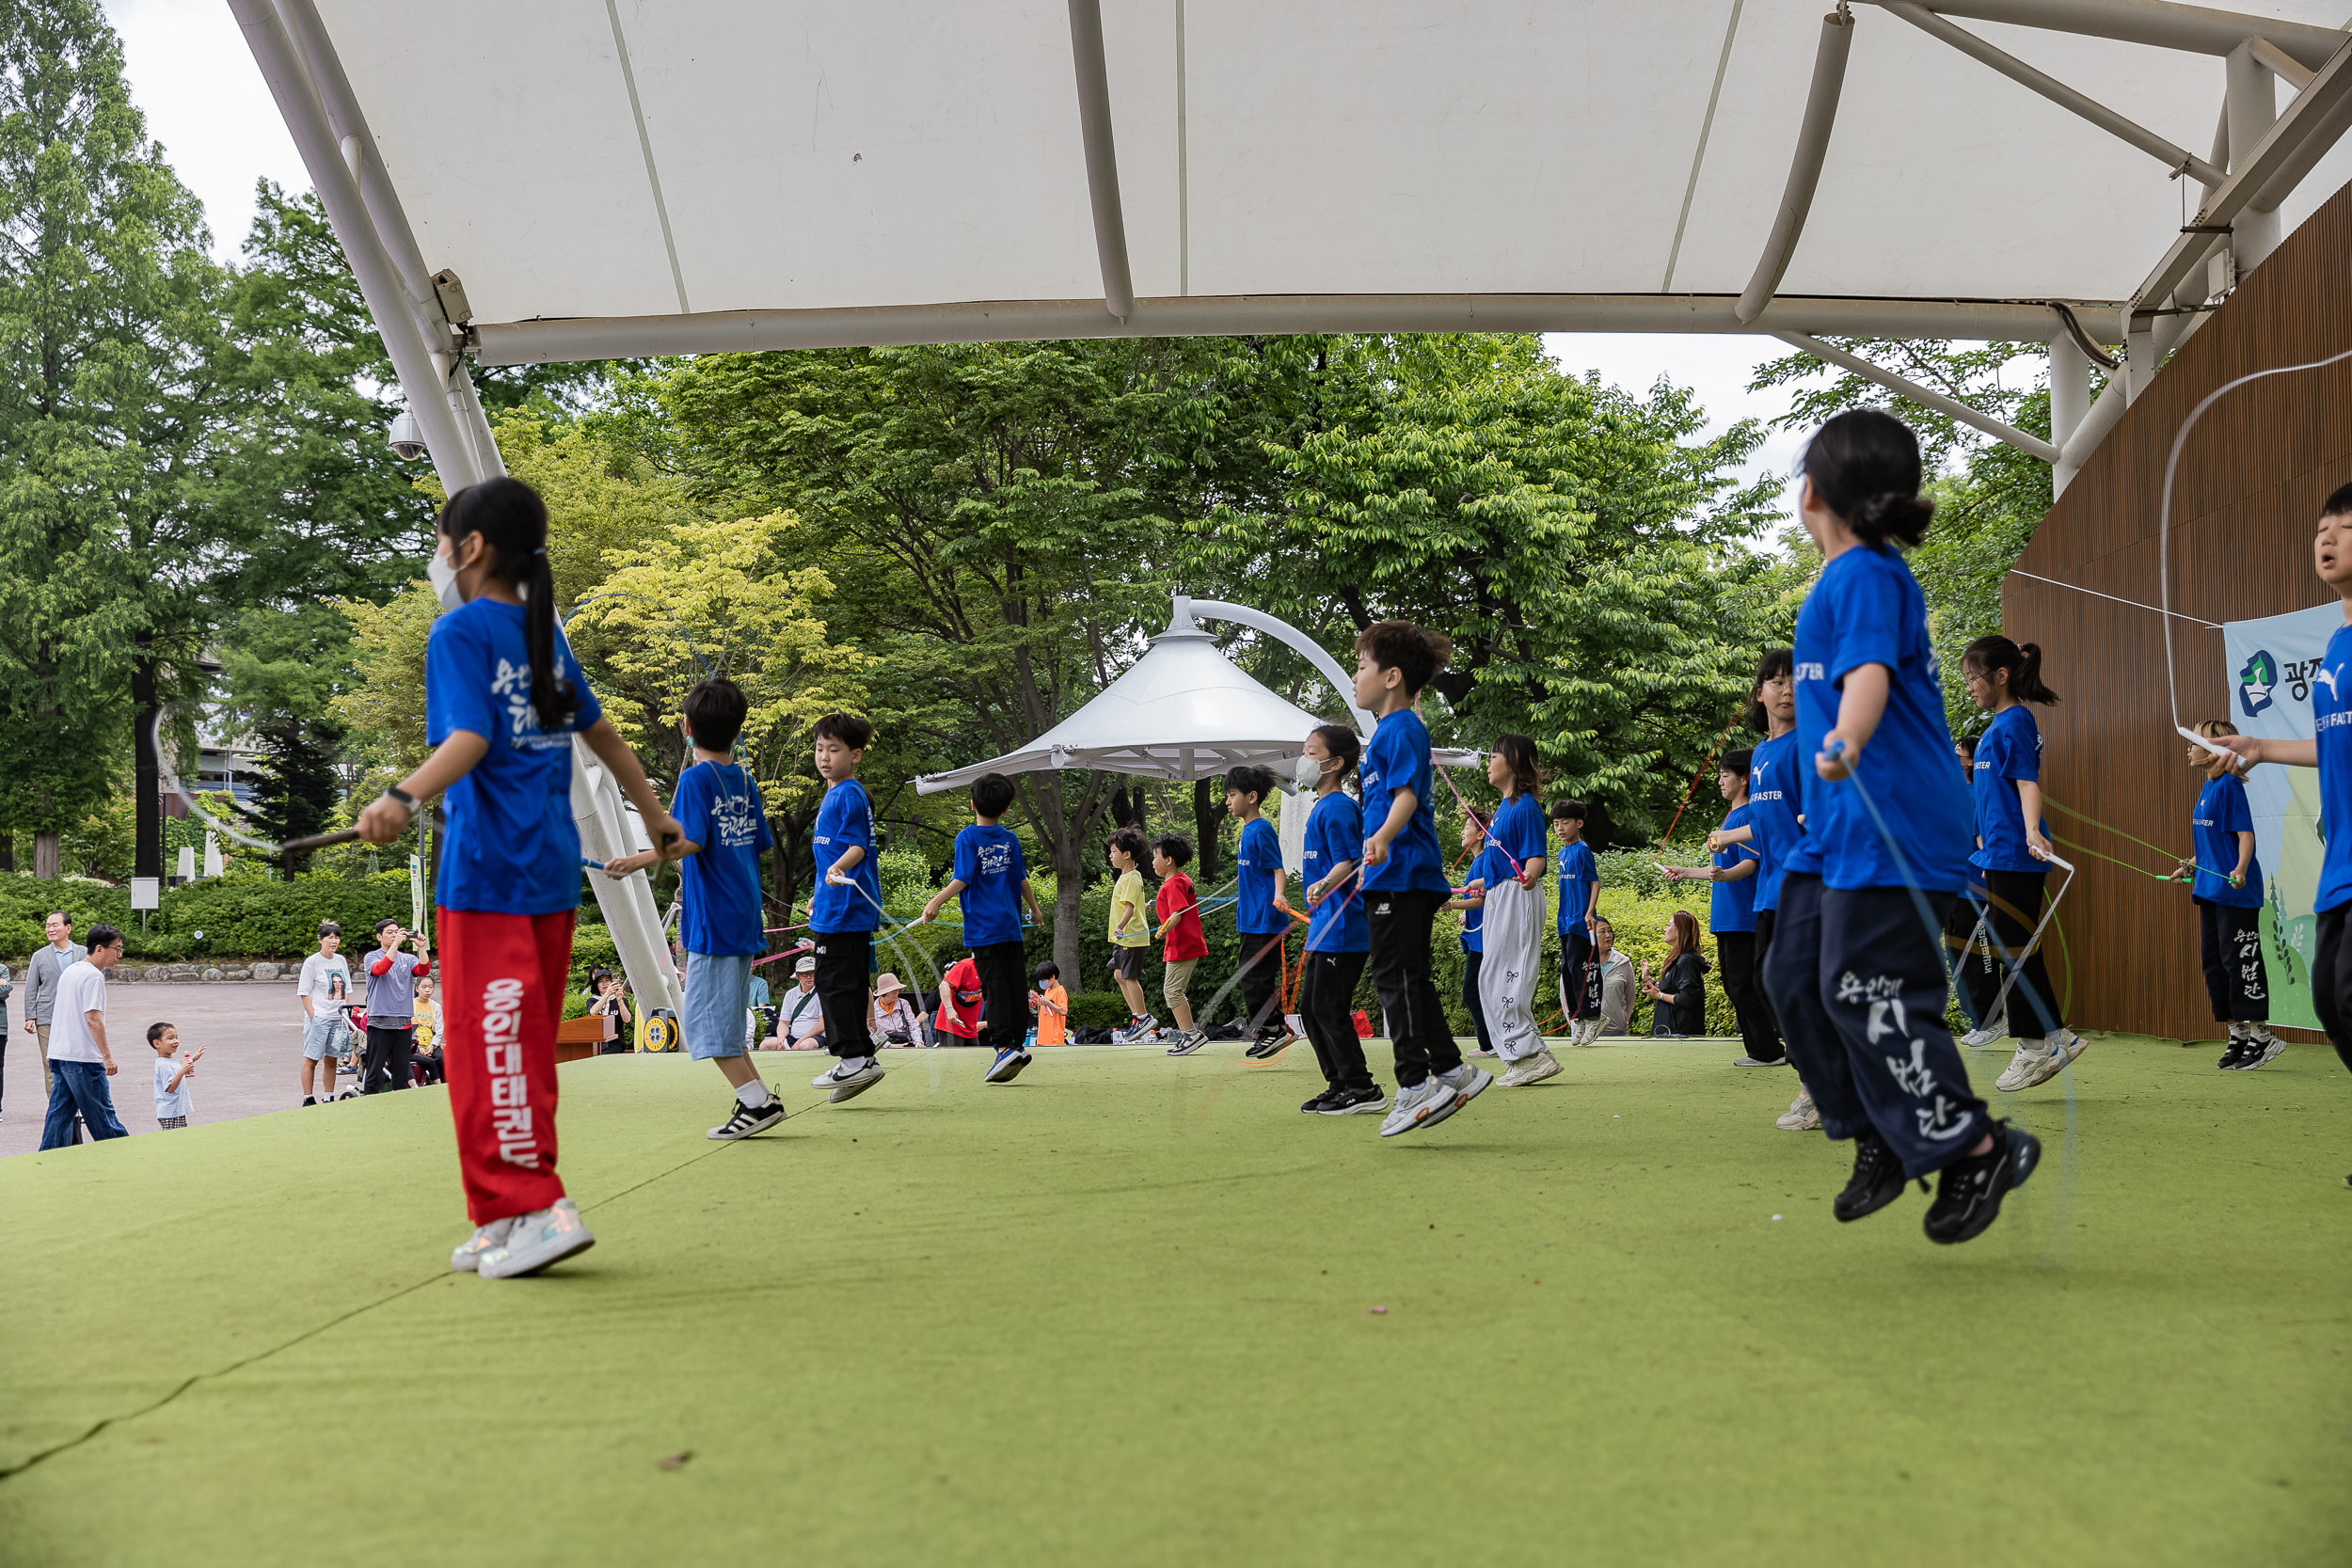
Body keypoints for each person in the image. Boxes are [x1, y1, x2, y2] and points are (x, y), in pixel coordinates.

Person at [354, 475, 685, 1280]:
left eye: (440, 540)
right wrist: (656, 816)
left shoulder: (461, 631)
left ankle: (536, 1205)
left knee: (485, 1044)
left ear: (471, 547)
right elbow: (606, 739)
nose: (436, 555)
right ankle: (501, 1213)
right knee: (517, 1041)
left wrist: (403, 794)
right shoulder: (541, 637)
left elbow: (469, 734)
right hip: (546, 872)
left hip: (489, 875)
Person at [1759, 409, 2036, 1247]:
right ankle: (1878, 1131)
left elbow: (1870, 679)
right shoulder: (1836, 581)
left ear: (1817, 491)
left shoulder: (1869, 576)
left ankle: (1975, 1144)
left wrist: (1845, 736)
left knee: (1866, 990)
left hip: (1896, 826)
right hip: (1833, 833)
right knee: (1794, 980)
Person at [2209, 482, 2352, 1135]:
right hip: (2339, 860)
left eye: (2346, 527)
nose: (2327, 538)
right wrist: (2261, 745)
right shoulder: (2335, 650)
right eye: (2323, 527)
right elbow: (2333, 741)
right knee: (2330, 994)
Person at [604, 677, 787, 1138]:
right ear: (738, 728)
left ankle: (757, 1104)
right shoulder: (743, 780)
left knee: (705, 1025)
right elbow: (759, 842)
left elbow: (689, 841)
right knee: (722, 1021)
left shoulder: (695, 778)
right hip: (743, 915)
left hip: (714, 920)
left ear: (686, 726)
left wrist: (637, 861)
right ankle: (759, 1098)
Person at [1355, 620, 1491, 1137]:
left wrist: (1385, 837)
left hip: (1403, 875)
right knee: (1408, 977)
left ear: (1392, 677)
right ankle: (1455, 1071)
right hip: (1389, 876)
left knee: (1395, 979)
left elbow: (1407, 797)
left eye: (1362, 667)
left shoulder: (1404, 728)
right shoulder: (1386, 734)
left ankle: (1414, 1085)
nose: (1354, 676)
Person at [1957, 634, 2084, 1088]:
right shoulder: (1997, 727)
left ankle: (2038, 1043)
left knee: (2015, 949)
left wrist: (2032, 831)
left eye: (1974, 677)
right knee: (2016, 948)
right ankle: (2052, 1037)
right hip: (2000, 857)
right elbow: (1994, 800)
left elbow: (2028, 783)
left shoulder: (2015, 724)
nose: (1970, 685)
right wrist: (1989, 853)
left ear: (2002, 675)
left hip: (2018, 854)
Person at [921, 770, 1044, 1084]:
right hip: (1011, 927)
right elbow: (1020, 880)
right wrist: (1035, 909)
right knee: (1016, 986)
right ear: (1006, 810)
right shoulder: (1010, 839)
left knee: (996, 989)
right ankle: (1017, 1043)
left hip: (983, 931)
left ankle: (1004, 1048)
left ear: (972, 803)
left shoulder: (967, 837)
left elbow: (962, 878)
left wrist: (935, 902)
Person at [2181, 721, 2282, 1069]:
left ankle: (2262, 1036)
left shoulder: (2229, 786)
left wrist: (2240, 869)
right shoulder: (2208, 788)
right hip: (2209, 889)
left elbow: (2245, 836)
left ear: (2215, 750)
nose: (2188, 748)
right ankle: (2237, 1032)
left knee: (2239, 959)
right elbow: (2213, 843)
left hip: (2235, 891)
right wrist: (2191, 865)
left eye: (2194, 741)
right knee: (2214, 962)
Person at [1295, 724, 1382, 1113]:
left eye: (1312, 753)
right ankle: (1339, 1084)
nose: (1305, 760)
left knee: (1328, 1006)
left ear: (1335, 763)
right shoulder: (1321, 806)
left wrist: (1324, 884)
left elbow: (1350, 861)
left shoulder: (1341, 807)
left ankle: (1363, 1089)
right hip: (1324, 925)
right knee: (1312, 1008)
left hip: (1344, 925)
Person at [1668, 750, 1775, 1064]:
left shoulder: (1749, 815)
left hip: (1744, 914)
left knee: (1744, 984)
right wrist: (1686, 872)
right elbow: (1718, 871)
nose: (1720, 781)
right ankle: (1760, 1049)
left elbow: (1750, 864)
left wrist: (1725, 874)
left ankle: (1768, 1050)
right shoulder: (1727, 820)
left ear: (1744, 780)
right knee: (1734, 984)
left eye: (1725, 774)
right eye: (1718, 774)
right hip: (1726, 916)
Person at [805, 711, 885, 1101]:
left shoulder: (848, 794)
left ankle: (852, 1057)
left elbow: (857, 847)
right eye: (819, 748)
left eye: (833, 750)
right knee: (846, 983)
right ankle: (861, 1059)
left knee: (834, 983)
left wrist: (837, 870)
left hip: (846, 909)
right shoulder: (835, 793)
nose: (824, 757)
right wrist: (820, 890)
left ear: (854, 755)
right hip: (835, 904)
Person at [1476, 734, 1558, 1087]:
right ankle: (1522, 1055)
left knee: (1506, 976)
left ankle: (1530, 1057)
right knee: (1488, 979)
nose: (1489, 761)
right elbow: (1492, 870)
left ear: (1512, 761)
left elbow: (1535, 857)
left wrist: (1530, 876)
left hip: (1516, 895)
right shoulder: (1502, 810)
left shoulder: (1525, 806)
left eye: (1495, 755)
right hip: (1498, 895)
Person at [40, 924, 129, 1148]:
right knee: (101, 1114)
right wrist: (107, 1056)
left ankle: (45, 1158)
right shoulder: (93, 976)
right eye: (116, 949)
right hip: (83, 1058)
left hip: (61, 1053)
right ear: (100, 948)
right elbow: (93, 1018)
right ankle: (124, 1154)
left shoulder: (71, 970)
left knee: (59, 1117)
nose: (119, 955)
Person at [1227, 766, 1295, 1057]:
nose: (1227, 801)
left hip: (1265, 919)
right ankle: (1270, 1030)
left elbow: (1278, 869)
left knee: (1256, 979)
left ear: (1251, 796)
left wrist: (1279, 894)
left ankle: (1275, 1029)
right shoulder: (1247, 831)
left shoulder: (1262, 829)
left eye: (1232, 795)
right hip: (1250, 919)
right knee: (1250, 978)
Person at [24, 912, 87, 1138]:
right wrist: (30, 1016)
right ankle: (56, 1107)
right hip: (47, 1016)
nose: (50, 929)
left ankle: (78, 1106)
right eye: (47, 926)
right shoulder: (40, 956)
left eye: (55, 925)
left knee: (78, 1060)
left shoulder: (82, 953)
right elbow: (32, 988)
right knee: (50, 1062)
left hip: (78, 1015)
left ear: (68, 928)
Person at [1449, 816, 1502, 1060]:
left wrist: (1453, 905)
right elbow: (1481, 901)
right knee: (1479, 991)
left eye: (1467, 827)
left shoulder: (1482, 862)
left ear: (1480, 834)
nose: (1462, 832)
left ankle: (1489, 1045)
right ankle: (1491, 1043)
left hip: (1483, 941)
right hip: (1479, 938)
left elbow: (1481, 899)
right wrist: (1463, 912)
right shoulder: (1479, 862)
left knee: (1472, 992)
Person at [1151, 834, 1209, 1053]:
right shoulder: (1182, 879)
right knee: (1174, 990)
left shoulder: (1172, 885)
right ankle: (1189, 1034)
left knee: (1173, 991)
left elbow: (1177, 913)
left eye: (1156, 855)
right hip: (1187, 943)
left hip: (1181, 945)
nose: (1153, 861)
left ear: (1169, 860)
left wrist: (1164, 929)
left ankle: (1191, 1035)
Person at [361, 919, 432, 1095]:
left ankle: (399, 1107)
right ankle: (369, 1103)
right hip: (380, 1022)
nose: (394, 935)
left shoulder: (407, 958)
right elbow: (380, 969)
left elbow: (423, 971)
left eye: (396, 932)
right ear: (379, 937)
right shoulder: (371, 956)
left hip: (404, 1022)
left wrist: (421, 947)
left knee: (401, 1072)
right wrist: (395, 945)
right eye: (389, 933)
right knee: (375, 1071)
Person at [1551, 801, 1602, 1045]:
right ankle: (1578, 1020)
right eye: (1556, 824)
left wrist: (1590, 912)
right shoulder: (1562, 852)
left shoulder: (1582, 850)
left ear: (1579, 823)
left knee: (1581, 968)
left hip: (1581, 920)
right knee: (1567, 970)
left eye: (1565, 822)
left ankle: (1593, 1017)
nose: (1560, 828)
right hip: (1564, 920)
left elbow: (1594, 882)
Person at [1104, 827, 1157, 1040]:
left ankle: (1144, 1017)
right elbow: (1133, 906)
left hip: (1130, 937)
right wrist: (1141, 908)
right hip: (1125, 937)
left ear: (1127, 854)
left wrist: (1120, 926)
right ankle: (1137, 1015)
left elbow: (1128, 909)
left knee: (1128, 976)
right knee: (1119, 974)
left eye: (1114, 851)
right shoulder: (1128, 877)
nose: (1110, 855)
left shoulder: (1130, 879)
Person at [296, 921, 352, 1106]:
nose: (334, 941)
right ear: (320, 940)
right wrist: (314, 1017)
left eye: (336, 937)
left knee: (331, 1060)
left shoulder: (341, 960)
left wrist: (346, 1014)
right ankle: (308, 1098)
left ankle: (329, 1096)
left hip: (338, 1018)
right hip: (319, 1018)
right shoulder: (312, 962)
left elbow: (347, 991)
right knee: (311, 1059)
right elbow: (304, 993)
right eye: (329, 937)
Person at [1640, 911, 1711, 1036]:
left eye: (1668, 926)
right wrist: (1648, 979)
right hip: (1670, 1032)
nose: (1664, 929)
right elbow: (1670, 990)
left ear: (1679, 931)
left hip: (1681, 1035)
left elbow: (1687, 998)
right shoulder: (1678, 958)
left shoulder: (1687, 961)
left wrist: (1659, 995)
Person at [766, 956, 827, 1050]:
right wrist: (781, 1038)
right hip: (793, 1037)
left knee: (805, 1045)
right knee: (767, 1045)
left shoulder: (823, 993)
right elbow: (784, 1022)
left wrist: (800, 1041)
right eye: (805, 974)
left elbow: (822, 1025)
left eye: (812, 973)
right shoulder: (790, 994)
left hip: (817, 1038)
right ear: (798, 975)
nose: (809, 977)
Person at [150, 1022, 201, 1130]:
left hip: (176, 1109)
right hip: (170, 1112)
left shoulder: (170, 1061)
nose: (176, 1041)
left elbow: (178, 1073)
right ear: (157, 1044)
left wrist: (193, 1059)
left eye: (176, 1037)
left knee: (181, 1136)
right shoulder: (164, 1065)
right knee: (172, 1139)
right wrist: (182, 1071)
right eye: (170, 1038)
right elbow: (170, 1088)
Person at [1591, 917, 1637, 1037]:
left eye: (1609, 931)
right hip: (1585, 1032)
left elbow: (1630, 996)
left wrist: (1624, 1021)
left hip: (1617, 1032)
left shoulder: (1623, 962)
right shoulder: (1579, 962)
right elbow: (1566, 995)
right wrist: (1574, 1025)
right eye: (1602, 932)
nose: (1608, 935)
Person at [934, 953, 986, 1048]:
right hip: (951, 1026)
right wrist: (949, 1009)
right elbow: (944, 985)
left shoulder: (993, 971)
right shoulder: (965, 966)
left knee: (974, 1060)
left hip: (971, 1028)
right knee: (952, 1061)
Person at [583, 968, 634, 1055]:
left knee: (603, 1056)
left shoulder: (621, 1000)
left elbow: (627, 1019)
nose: (605, 983)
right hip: (596, 1044)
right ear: (597, 985)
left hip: (616, 1043)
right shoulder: (592, 1001)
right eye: (601, 981)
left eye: (607, 980)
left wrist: (620, 1001)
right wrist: (607, 994)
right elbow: (593, 1012)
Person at [872, 974, 925, 1047]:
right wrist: (888, 1046)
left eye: (897, 990)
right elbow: (872, 1032)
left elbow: (913, 1025)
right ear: (884, 992)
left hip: (906, 1042)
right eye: (893, 990)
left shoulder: (903, 1004)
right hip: (885, 1046)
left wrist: (918, 1041)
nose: (897, 993)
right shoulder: (872, 1009)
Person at [414, 975, 446, 1084]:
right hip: (414, 1044)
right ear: (417, 988)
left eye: (430, 987)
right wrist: (418, 1048)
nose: (427, 990)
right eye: (424, 987)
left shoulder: (436, 1006)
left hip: (431, 1042)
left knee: (442, 1058)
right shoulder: (409, 1004)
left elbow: (439, 1029)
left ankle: (442, 1085)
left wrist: (432, 1046)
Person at [1030, 961, 1069, 1049]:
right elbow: (1044, 1007)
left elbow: (1063, 1011)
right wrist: (1035, 999)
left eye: (1043, 980)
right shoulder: (1048, 990)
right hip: (1043, 1037)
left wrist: (1048, 1003)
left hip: (1054, 1038)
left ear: (1052, 977)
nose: (1042, 982)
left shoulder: (1060, 991)